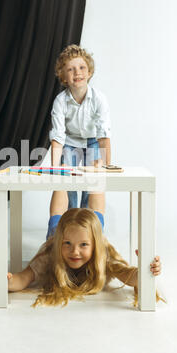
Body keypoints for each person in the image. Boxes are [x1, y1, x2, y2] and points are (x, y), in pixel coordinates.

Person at [0, 208, 163, 308]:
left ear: (95, 246)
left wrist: (145, 271)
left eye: (84, 245)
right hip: (57, 232)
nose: (75, 252)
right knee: (57, 218)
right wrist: (6, 281)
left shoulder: (102, 255)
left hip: (89, 232)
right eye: (67, 244)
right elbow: (23, 278)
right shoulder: (51, 253)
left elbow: (128, 276)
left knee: (96, 214)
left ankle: (95, 173)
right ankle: (61, 179)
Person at [49, 44, 111, 225]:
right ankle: (67, 226)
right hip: (70, 141)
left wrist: (105, 164)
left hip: (92, 141)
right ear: (64, 77)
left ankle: (88, 229)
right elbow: (58, 136)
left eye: (82, 67)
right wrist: (55, 167)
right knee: (67, 184)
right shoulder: (60, 101)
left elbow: (104, 134)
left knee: (92, 185)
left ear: (90, 72)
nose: (77, 72)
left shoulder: (99, 99)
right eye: (70, 69)